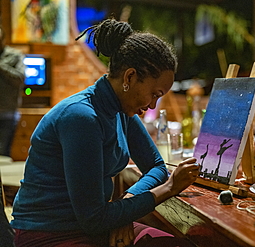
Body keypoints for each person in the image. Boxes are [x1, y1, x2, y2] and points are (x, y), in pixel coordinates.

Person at [10, 18, 199, 247]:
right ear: (129, 77)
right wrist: (169, 188)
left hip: (91, 224)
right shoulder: (82, 118)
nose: (152, 105)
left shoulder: (121, 110)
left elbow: (157, 166)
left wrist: (126, 207)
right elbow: (93, 219)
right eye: (154, 94)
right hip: (49, 233)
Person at [0, 24, 25, 157]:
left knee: (3, 153)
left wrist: (2, 67)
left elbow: (20, 78)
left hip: (7, 112)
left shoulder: (15, 55)